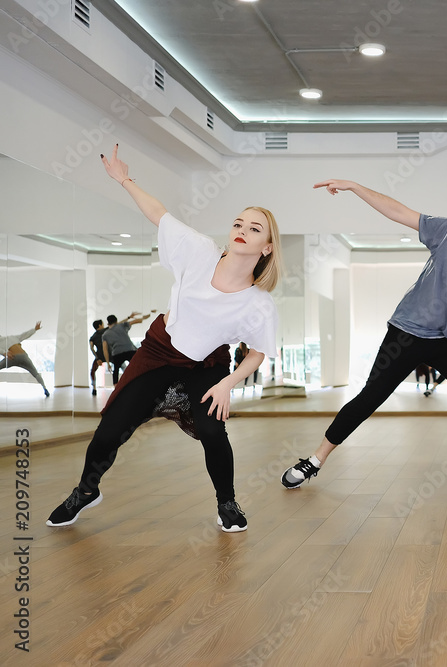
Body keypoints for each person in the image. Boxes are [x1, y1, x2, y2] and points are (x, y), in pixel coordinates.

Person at [46, 145, 282, 532]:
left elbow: (257, 354)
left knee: (211, 429)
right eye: (239, 224)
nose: (242, 231)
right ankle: (87, 490)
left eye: (254, 229)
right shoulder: (200, 251)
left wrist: (227, 384)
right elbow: (159, 214)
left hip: (206, 366)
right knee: (111, 430)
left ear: (267, 247)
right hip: (158, 351)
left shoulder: (258, 303)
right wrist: (124, 179)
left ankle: (227, 502)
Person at [281, 181, 447, 492]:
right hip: (408, 330)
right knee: (370, 397)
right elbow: (398, 211)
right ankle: (315, 460)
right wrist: (354, 187)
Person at [0, 321, 49, 397]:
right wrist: (35, 329)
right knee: (35, 373)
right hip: (24, 356)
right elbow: (25, 335)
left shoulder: (1, 341)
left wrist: (4, 353)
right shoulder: (12, 337)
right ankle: (44, 388)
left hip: (12, 357)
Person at [102, 311, 151, 384]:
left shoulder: (105, 334)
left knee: (116, 371)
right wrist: (146, 316)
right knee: (138, 366)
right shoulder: (121, 325)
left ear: (108, 323)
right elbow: (136, 321)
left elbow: (105, 350)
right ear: (116, 320)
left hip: (117, 353)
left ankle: (115, 386)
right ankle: (141, 382)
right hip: (129, 349)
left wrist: (108, 363)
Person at [89, 320, 106, 395]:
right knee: (122, 366)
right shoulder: (107, 330)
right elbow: (116, 324)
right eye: (102, 324)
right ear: (100, 325)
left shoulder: (93, 337)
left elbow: (92, 348)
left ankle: (94, 388)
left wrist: (97, 358)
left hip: (99, 355)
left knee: (92, 371)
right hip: (109, 354)